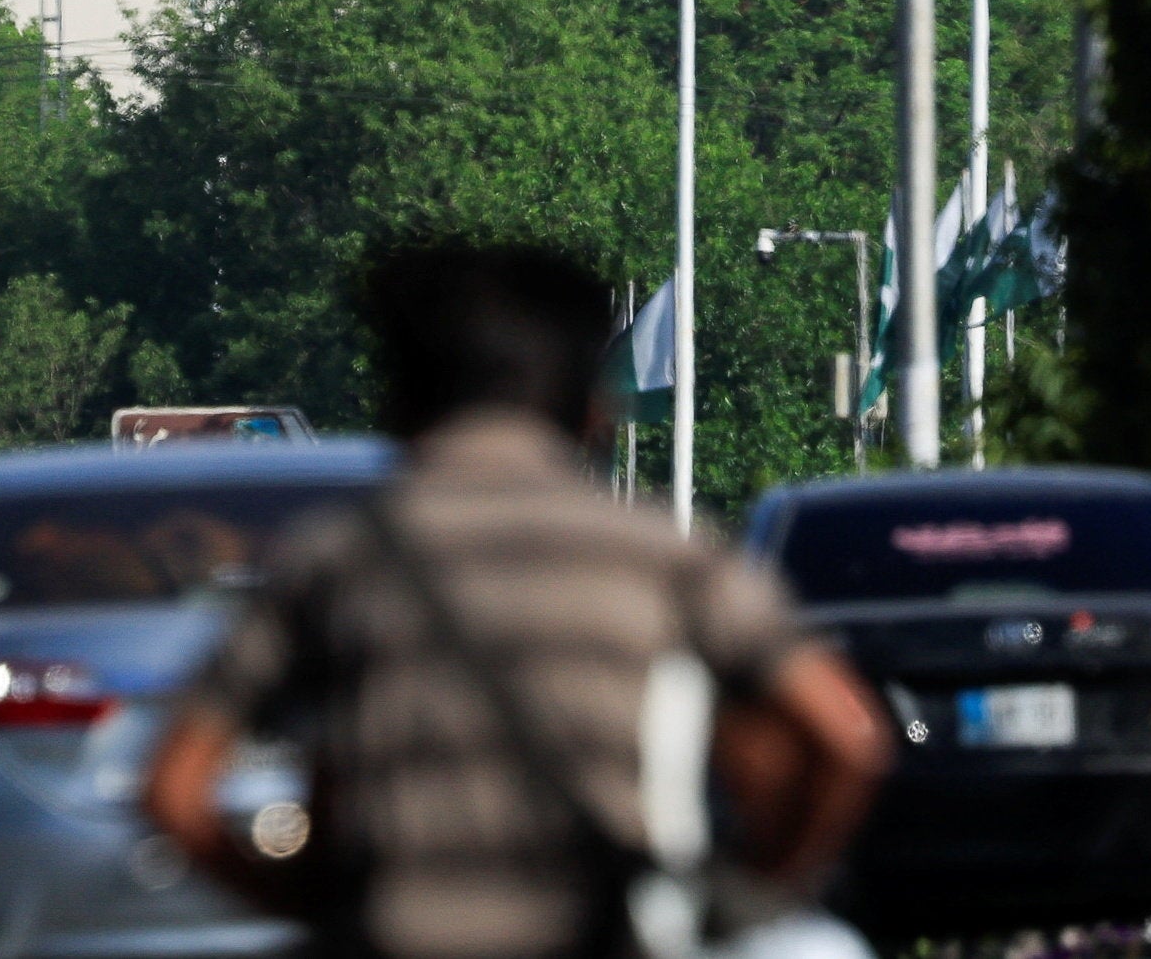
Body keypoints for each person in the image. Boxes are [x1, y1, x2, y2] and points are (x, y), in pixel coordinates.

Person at [144, 241, 891, 959]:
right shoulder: (664, 554)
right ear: (592, 409)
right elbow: (845, 738)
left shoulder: (334, 559)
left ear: (400, 400)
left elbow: (174, 790)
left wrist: (304, 905)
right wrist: (753, 890)